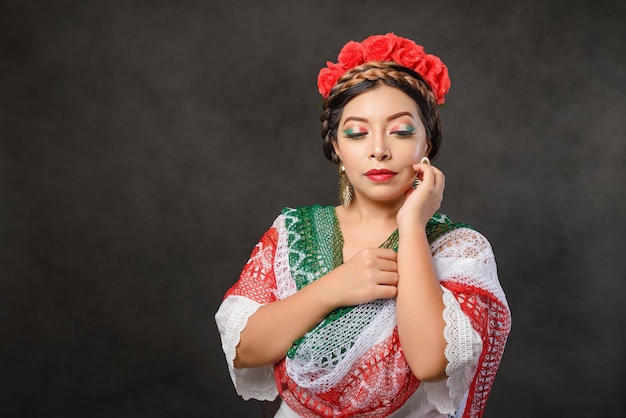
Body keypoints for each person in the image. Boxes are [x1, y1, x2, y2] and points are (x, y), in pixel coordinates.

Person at [215, 33, 511, 417]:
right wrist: (332, 289)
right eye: (357, 133)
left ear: (428, 144)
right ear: (336, 146)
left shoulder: (459, 247)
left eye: (401, 131)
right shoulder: (292, 231)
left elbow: (432, 362)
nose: (379, 149)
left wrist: (412, 226)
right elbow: (243, 348)